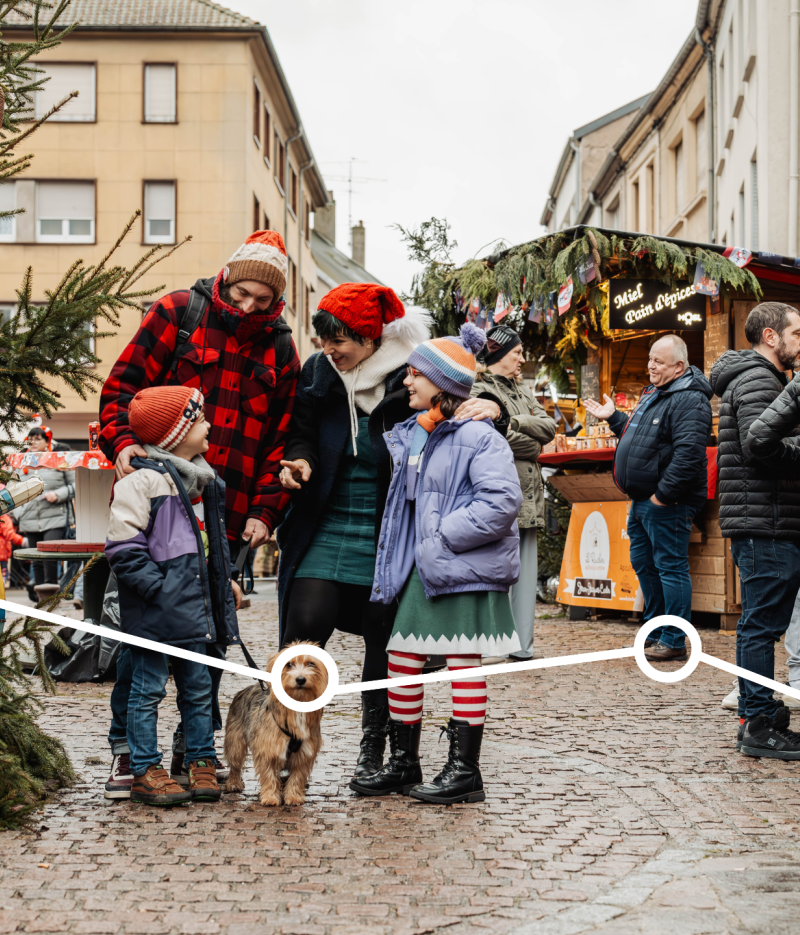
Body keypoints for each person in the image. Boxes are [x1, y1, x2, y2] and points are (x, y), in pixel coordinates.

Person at [277, 283, 508, 783]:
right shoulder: (320, 372)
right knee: (304, 629)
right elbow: (301, 429)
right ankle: (288, 747)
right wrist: (299, 460)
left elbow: (459, 411)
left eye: (339, 341)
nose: (328, 351)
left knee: (385, 644)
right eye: (323, 341)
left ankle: (375, 751)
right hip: (326, 519)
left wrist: (494, 408)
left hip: (389, 529)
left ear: (371, 337)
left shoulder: (412, 374)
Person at [99, 228, 299, 795]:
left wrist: (265, 511)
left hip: (225, 517)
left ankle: (195, 753)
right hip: (156, 510)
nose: (249, 306)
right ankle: (128, 754)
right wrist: (122, 448)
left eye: (263, 300)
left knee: (206, 636)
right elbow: (119, 392)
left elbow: (280, 440)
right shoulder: (177, 313)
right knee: (139, 634)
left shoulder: (281, 348)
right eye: (242, 294)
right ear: (228, 277)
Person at [349, 323, 522, 804]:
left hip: (459, 569)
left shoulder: (480, 437)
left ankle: (466, 771)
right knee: (402, 660)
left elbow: (501, 502)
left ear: (441, 384)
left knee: (462, 664)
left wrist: (440, 538)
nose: (406, 381)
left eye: (414, 375)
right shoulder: (416, 434)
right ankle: (407, 763)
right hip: (426, 571)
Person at [105, 386, 242, 805]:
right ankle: (146, 767)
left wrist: (226, 581)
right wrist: (158, 591)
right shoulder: (142, 483)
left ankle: (200, 759)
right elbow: (123, 550)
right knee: (147, 690)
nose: (210, 427)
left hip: (194, 612)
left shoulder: (202, 482)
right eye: (200, 421)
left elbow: (210, 546)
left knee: (198, 689)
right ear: (174, 433)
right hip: (157, 612)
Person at [585, 334, 712, 661]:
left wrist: (662, 497)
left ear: (679, 366)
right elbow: (642, 438)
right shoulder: (657, 392)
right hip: (643, 499)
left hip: (667, 501)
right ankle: (655, 630)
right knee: (644, 563)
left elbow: (689, 455)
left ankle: (674, 639)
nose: (650, 365)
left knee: (670, 567)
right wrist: (614, 417)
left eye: (658, 361)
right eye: (651, 359)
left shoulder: (690, 399)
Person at [710, 302, 800, 752]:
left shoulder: (762, 379)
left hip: (766, 517)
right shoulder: (758, 379)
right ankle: (758, 724)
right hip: (764, 520)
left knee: (760, 623)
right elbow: (759, 447)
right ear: (771, 337)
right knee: (761, 625)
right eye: (796, 334)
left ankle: (757, 711)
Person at [472, 325, 556, 662]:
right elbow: (492, 438)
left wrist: (514, 423)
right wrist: (526, 435)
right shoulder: (478, 389)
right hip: (498, 493)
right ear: (497, 354)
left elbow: (548, 429)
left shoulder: (522, 391)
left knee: (524, 574)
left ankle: (522, 646)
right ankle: (493, 641)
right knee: (495, 571)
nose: (523, 358)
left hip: (529, 497)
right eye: (516, 352)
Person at [15, 426, 75, 601]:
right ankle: (41, 600)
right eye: (30, 439)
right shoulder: (22, 462)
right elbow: (14, 488)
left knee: (49, 557)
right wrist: (19, 513)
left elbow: (76, 485)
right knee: (36, 560)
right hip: (30, 518)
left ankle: (51, 599)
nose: (32, 442)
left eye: (37, 439)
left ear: (47, 441)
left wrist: (58, 494)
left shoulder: (60, 459)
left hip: (55, 518)